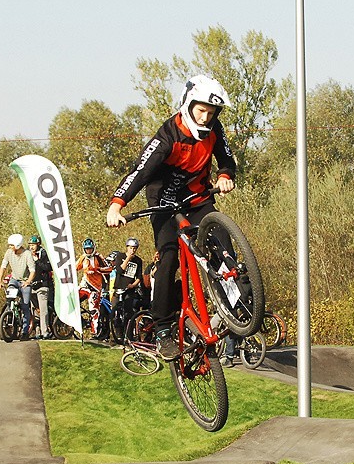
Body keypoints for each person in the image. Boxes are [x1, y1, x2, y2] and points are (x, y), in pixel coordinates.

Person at [106, 75, 236, 360]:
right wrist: (117, 204)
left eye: (211, 113)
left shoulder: (214, 131)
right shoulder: (166, 138)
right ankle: (163, 330)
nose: (205, 118)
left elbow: (226, 158)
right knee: (167, 260)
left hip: (197, 199)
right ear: (187, 105)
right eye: (200, 111)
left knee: (223, 238)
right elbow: (139, 172)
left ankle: (237, 297)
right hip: (164, 206)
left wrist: (225, 175)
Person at [0, 234, 37, 341]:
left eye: (12, 245)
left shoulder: (27, 254)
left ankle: (24, 331)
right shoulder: (9, 253)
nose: (10, 247)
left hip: (25, 282)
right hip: (14, 280)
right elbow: (3, 267)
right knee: (10, 298)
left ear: (18, 245)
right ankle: (10, 316)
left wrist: (28, 281)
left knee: (25, 305)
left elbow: (32, 270)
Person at [76, 238, 111, 338]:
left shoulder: (98, 257)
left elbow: (109, 268)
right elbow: (74, 268)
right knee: (73, 300)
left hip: (95, 288)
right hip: (84, 286)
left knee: (94, 309)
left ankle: (94, 331)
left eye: (90, 249)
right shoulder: (83, 258)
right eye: (87, 249)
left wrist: (98, 270)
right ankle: (80, 321)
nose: (88, 251)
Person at [110, 237, 144, 320]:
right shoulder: (120, 256)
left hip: (129, 289)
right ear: (127, 247)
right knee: (114, 312)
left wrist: (133, 285)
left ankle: (128, 330)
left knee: (128, 312)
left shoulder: (138, 261)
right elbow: (119, 270)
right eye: (131, 248)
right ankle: (117, 330)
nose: (132, 250)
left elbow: (139, 277)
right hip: (119, 287)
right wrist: (128, 258)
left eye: (134, 248)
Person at [28, 235, 53, 340]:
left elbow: (48, 267)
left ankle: (45, 331)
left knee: (43, 310)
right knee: (34, 310)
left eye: (33, 245)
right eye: (30, 245)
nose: (31, 247)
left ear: (38, 244)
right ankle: (37, 331)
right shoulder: (27, 254)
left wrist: (37, 260)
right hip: (31, 285)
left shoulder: (43, 253)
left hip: (42, 285)